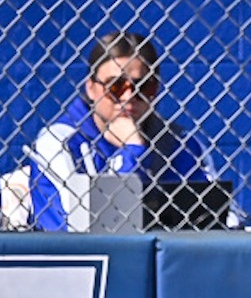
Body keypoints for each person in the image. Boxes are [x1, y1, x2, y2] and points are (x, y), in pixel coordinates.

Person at [25, 30, 216, 232]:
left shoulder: (182, 144)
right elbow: (88, 229)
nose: (128, 96)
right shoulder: (59, 142)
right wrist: (133, 151)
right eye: (115, 87)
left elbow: (219, 216)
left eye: (143, 86)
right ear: (91, 88)